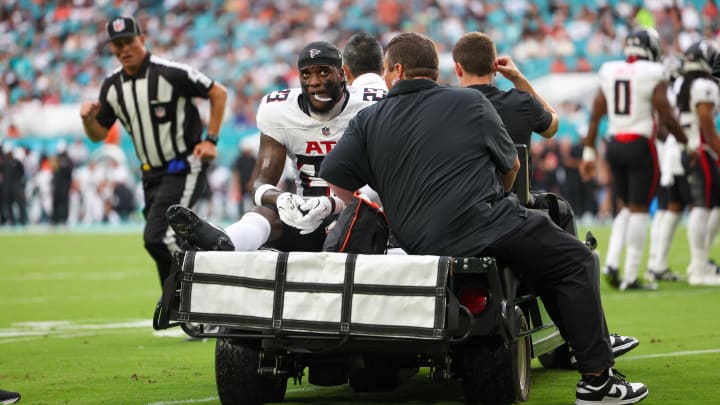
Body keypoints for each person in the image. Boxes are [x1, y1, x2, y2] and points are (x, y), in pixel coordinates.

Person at [320, 31, 648, 405]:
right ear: (437, 69)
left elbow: (337, 180)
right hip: (485, 225)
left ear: (396, 70)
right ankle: (597, 381)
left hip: (414, 240)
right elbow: (512, 166)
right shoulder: (469, 102)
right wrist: (498, 197)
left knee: (545, 254)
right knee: (576, 259)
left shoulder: (368, 119)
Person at [451, 31, 638, 366]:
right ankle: (584, 335)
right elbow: (552, 125)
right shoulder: (519, 102)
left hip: (459, 213)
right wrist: (522, 80)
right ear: (495, 67)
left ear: (457, 67)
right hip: (515, 211)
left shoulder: (448, 108)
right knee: (563, 222)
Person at [167, 40, 386, 253]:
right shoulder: (280, 110)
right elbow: (260, 184)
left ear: (342, 75)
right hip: (306, 215)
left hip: (357, 214)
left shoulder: (373, 106)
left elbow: (386, 179)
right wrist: (283, 199)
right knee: (266, 211)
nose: (315, 81)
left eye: (323, 72)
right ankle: (227, 242)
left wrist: (332, 204)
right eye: (307, 74)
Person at [79, 16, 228, 287]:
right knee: (170, 239)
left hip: (184, 166)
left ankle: (199, 292)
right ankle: (184, 301)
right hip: (151, 173)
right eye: (117, 45)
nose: (124, 49)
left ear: (143, 40)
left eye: (129, 42)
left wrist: (212, 140)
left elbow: (218, 92)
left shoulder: (169, 72)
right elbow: (99, 134)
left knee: (158, 237)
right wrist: (88, 120)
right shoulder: (112, 87)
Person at [580, 28, 688, 291]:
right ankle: (630, 276)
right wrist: (686, 141)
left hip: (614, 144)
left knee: (625, 207)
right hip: (640, 144)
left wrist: (589, 152)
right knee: (639, 210)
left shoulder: (609, 70)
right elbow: (665, 112)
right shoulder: (653, 73)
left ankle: (612, 264)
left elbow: (596, 113)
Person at [674, 40, 720, 286]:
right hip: (700, 150)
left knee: (709, 207)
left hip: (691, 149)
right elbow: (707, 125)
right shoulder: (704, 85)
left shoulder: (682, 82)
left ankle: (700, 263)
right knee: (701, 208)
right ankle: (699, 267)